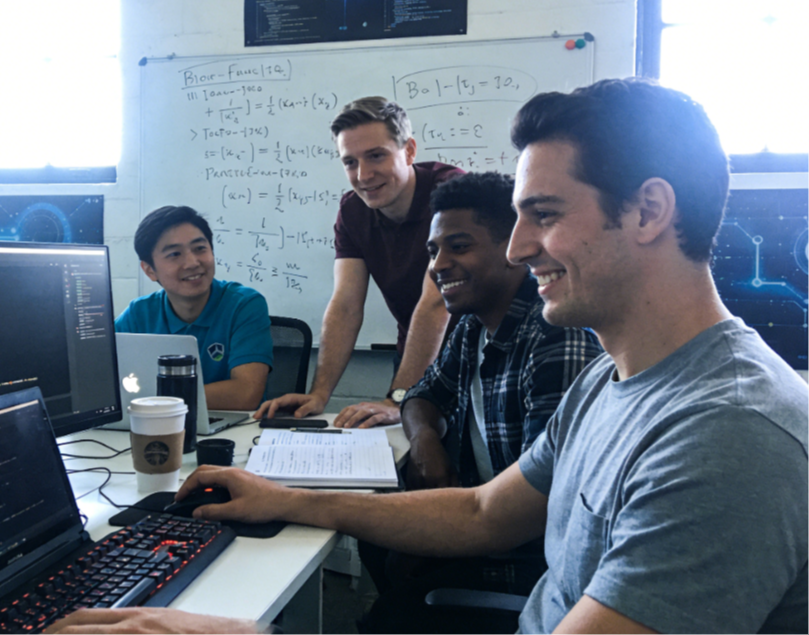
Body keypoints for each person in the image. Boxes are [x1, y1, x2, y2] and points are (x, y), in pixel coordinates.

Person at [50, 78, 809, 635]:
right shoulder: (611, 383)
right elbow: (482, 512)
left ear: (649, 211)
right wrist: (286, 498)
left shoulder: (727, 435)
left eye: (542, 215)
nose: (517, 248)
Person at [356, 171, 603, 634]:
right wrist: (425, 441)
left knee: (392, 614)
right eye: (433, 251)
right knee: (375, 543)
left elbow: (534, 512)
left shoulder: (556, 338)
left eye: (459, 247)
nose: (439, 265)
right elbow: (422, 395)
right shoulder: (473, 326)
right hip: (484, 523)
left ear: (513, 249)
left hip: (528, 561)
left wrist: (436, 540)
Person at [255, 97, 465, 428]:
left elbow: (435, 303)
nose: (363, 175)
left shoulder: (452, 194)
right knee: (408, 450)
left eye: (376, 156)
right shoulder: (353, 211)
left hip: (482, 350)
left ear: (409, 151)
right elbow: (345, 305)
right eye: (350, 162)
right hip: (414, 353)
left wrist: (397, 398)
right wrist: (319, 394)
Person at [115, 205, 272, 410]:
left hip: (233, 427)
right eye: (174, 254)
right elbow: (97, 377)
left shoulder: (243, 305)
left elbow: (245, 394)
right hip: (157, 424)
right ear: (150, 270)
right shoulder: (138, 314)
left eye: (200, 249)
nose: (192, 263)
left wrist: (151, 397)